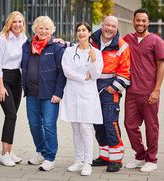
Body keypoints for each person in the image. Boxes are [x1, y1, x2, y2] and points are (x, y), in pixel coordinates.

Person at [123, 8, 164, 172]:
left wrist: (157, 90)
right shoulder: (127, 39)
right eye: (138, 20)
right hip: (132, 92)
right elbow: (105, 39)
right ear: (133, 21)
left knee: (151, 126)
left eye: (143, 20)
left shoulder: (156, 41)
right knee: (129, 125)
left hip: (149, 93)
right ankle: (140, 155)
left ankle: (152, 159)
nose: (140, 23)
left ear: (148, 22)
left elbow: (160, 67)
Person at [21, 16, 66, 171]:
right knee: (34, 125)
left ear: (52, 30)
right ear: (35, 29)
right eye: (41, 28)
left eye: (47, 28)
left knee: (48, 126)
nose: (44, 31)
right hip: (32, 93)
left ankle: (50, 157)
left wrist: (58, 93)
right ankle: (41, 151)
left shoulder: (56, 47)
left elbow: (62, 72)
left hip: (50, 95)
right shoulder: (27, 46)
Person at [60, 22, 103, 176]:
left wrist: (92, 61)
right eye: (78, 30)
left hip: (87, 95)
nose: (81, 33)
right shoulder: (69, 51)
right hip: (72, 93)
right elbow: (67, 70)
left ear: (90, 33)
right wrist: (84, 77)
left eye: (84, 30)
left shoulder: (96, 53)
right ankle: (78, 161)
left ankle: (87, 162)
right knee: (76, 128)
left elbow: (97, 74)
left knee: (85, 128)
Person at [90, 16, 131, 172]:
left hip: (109, 91)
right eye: (107, 25)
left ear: (117, 28)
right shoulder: (91, 39)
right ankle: (105, 156)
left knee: (110, 123)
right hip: (91, 90)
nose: (110, 28)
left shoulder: (122, 46)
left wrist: (113, 88)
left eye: (113, 26)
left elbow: (125, 73)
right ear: (102, 25)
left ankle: (116, 159)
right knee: (98, 124)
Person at [0, 11, 27, 167]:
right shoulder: (1, 39)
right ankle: (4, 154)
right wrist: (0, 86)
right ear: (9, 23)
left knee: (13, 116)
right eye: (15, 22)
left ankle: (10, 151)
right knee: (11, 115)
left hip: (17, 79)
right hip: (3, 79)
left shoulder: (24, 39)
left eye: (20, 22)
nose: (18, 24)